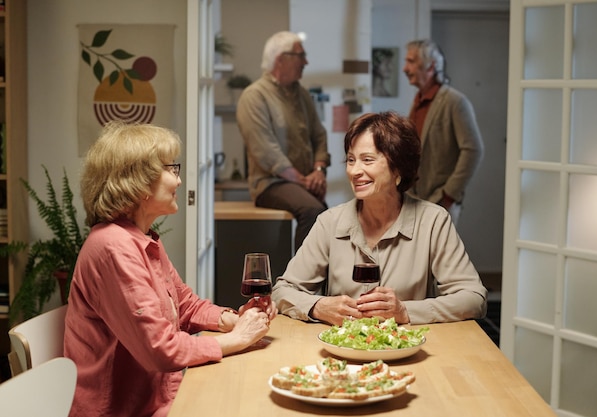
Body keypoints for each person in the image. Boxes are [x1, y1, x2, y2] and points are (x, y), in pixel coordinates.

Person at [64, 121, 278, 417]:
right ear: (137, 181)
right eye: (170, 169)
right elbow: (160, 349)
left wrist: (234, 320)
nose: (178, 181)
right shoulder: (112, 246)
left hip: (160, 397)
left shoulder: (141, 238)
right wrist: (237, 339)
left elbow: (186, 306)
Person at [271, 111, 487, 326]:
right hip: (340, 354)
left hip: (407, 353)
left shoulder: (433, 221)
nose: (355, 171)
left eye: (367, 160)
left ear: (398, 168)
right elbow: (282, 292)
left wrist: (405, 311)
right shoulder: (329, 222)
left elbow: (473, 299)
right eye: (351, 160)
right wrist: (318, 306)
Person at [236, 31, 331, 250]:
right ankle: (302, 280)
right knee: (312, 211)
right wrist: (305, 181)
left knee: (330, 219)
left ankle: (320, 279)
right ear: (281, 59)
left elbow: (319, 135)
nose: (306, 62)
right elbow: (266, 152)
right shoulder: (255, 96)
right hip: (271, 183)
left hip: (302, 181)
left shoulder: (303, 94)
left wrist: (318, 170)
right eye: (301, 55)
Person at [403, 39, 484, 225]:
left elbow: (473, 150)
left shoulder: (455, 102)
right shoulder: (417, 101)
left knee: (439, 255)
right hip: (415, 202)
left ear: (431, 66)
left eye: (411, 62)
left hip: (440, 204)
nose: (405, 69)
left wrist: (449, 195)